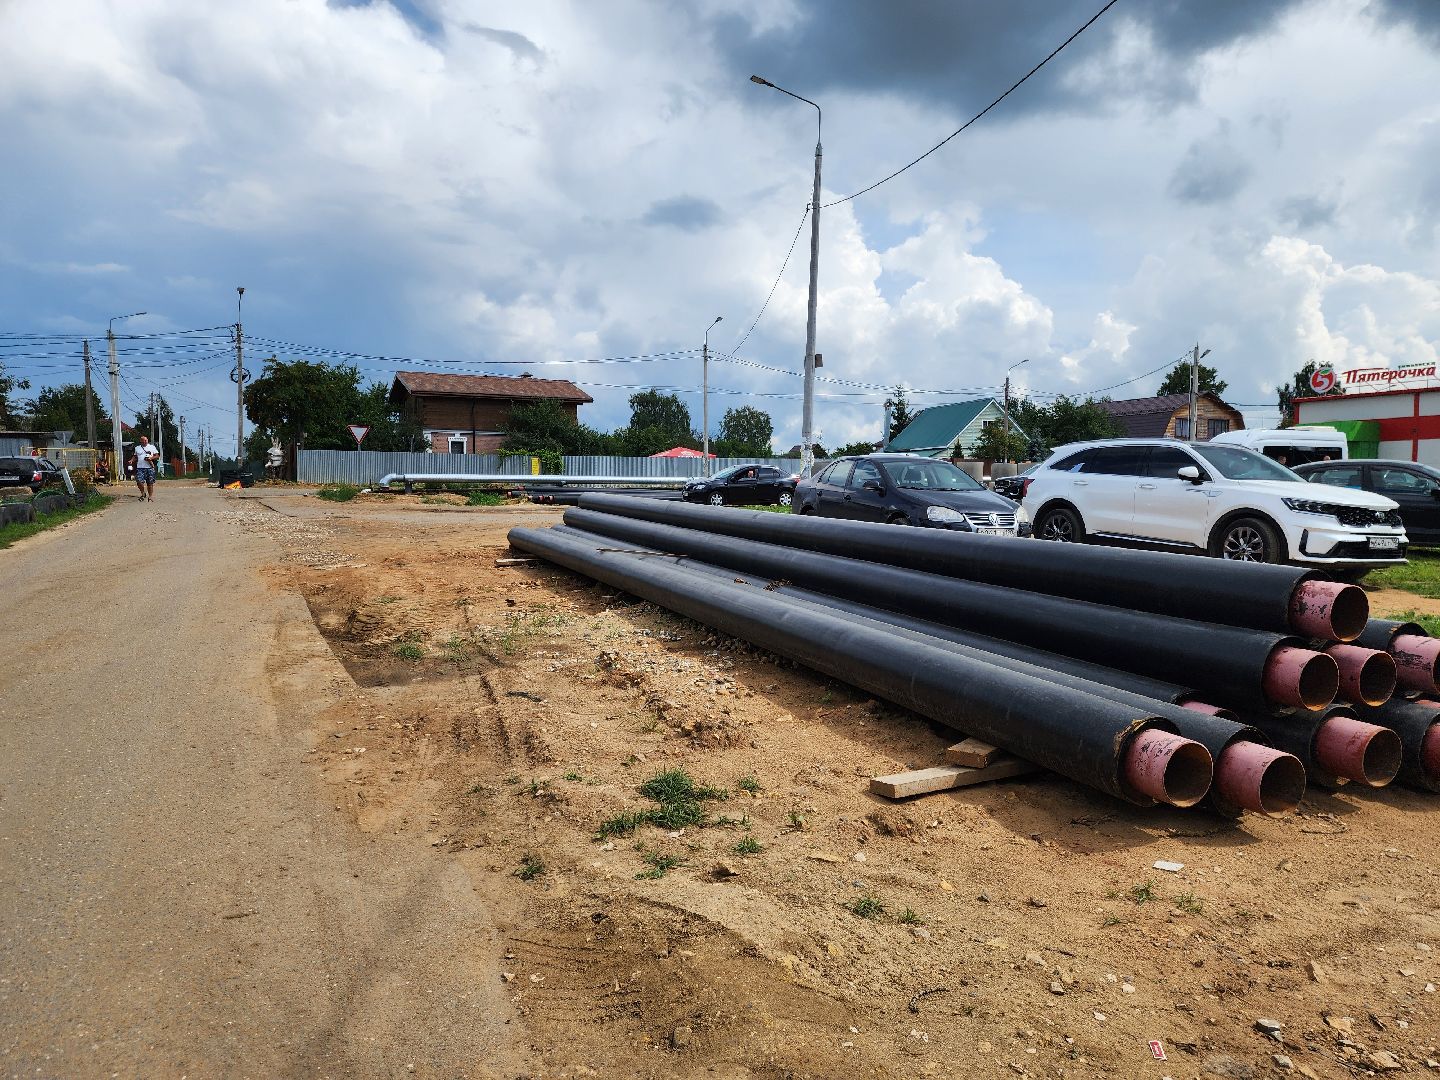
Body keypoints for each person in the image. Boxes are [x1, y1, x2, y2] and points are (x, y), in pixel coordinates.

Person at [131, 435, 159, 502]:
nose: (146, 441)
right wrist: (131, 460)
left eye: (146, 440)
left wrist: (151, 458)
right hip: (140, 468)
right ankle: (143, 493)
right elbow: (135, 456)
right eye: (144, 440)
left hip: (149, 468)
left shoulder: (152, 447)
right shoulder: (137, 448)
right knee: (139, 481)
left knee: (150, 483)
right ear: (141, 441)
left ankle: (150, 496)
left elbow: (157, 455)